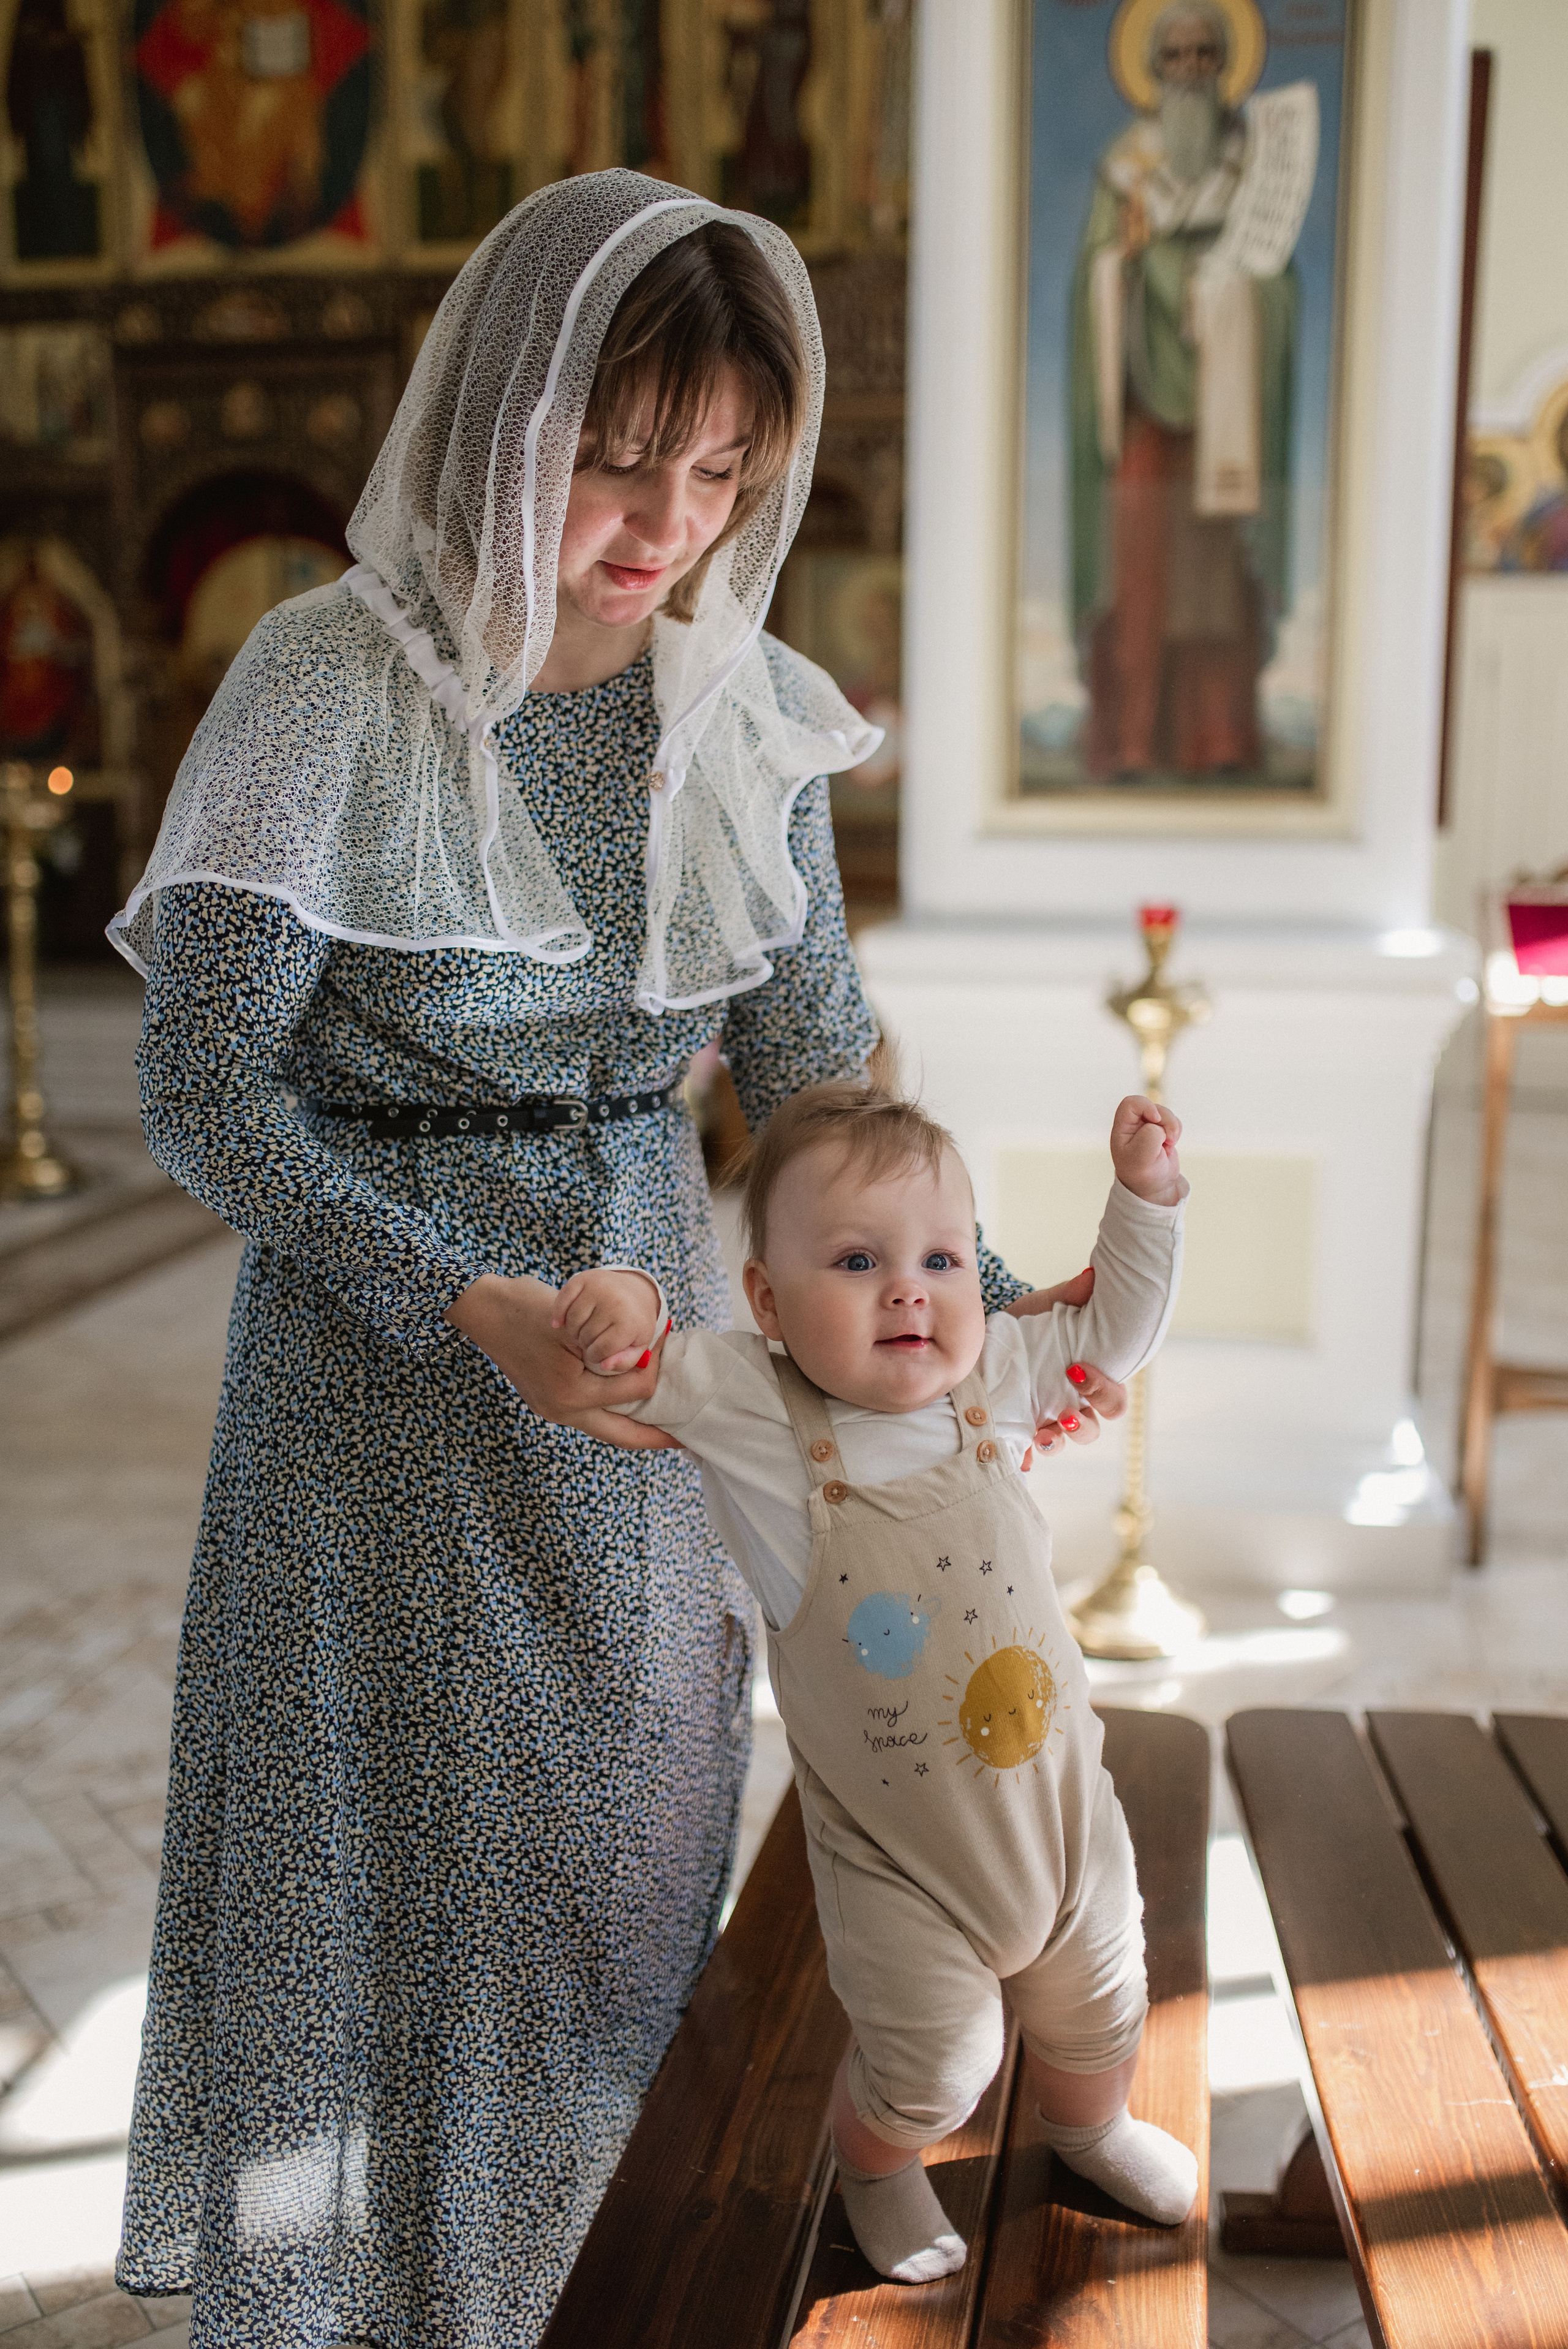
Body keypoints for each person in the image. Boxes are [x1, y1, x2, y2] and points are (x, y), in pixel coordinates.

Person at [107, 172, 1125, 2347]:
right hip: (380, 1367)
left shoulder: (737, 707)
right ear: (499, 417)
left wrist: (990, 1302)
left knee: (620, 1848)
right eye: (610, 454)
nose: (661, 518)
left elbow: (820, 1073)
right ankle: (361, 2302)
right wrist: (452, 1289)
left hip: (663, 1355)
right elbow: (200, 1089)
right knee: (375, 1859)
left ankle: (587, 2282)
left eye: (716, 468)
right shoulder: (323, 684)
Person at [551, 1077, 1199, 2284]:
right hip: (896, 1858)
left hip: (1060, 1820)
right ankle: (875, 2165)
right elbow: (635, 1359)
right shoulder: (753, 1406)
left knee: (1104, 2007)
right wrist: (618, 1299)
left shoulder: (993, 1378)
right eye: (855, 1261)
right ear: (767, 1303)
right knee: (933, 2067)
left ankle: (1087, 2124)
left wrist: (1145, 1200)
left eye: (941, 1258)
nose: (908, 1287)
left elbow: (1111, 1332)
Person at [1070, 0, 1301, 779]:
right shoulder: (1125, 167)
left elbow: (1280, 287)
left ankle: (1219, 741)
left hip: (1223, 414)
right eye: (1177, 57)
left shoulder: (1253, 166)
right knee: (1139, 577)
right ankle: (1131, 742)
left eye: (1207, 54)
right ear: (1154, 69)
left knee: (1216, 582)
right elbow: (1095, 279)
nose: (1192, 70)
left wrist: (1232, 294)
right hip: (1145, 409)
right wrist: (1132, 265)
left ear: (1225, 64)